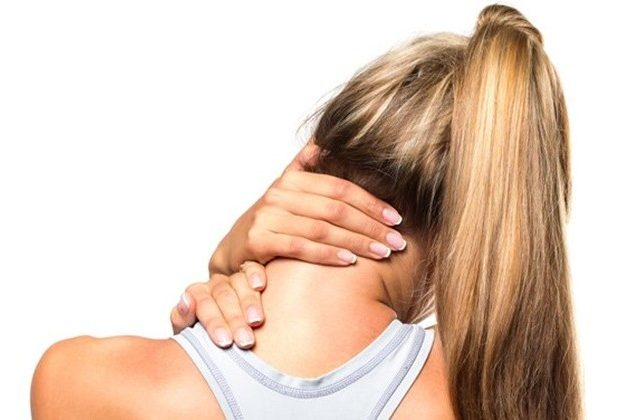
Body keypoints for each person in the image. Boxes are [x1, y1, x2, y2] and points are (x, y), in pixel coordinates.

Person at [31, 4, 582, 419]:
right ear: (483, 216)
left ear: (316, 158)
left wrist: (227, 267)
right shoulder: (483, 399)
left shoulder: (77, 382)